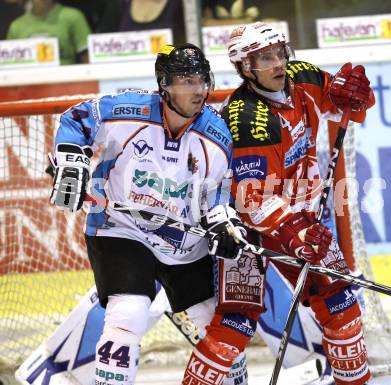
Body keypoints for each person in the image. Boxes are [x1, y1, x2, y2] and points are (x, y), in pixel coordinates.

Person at [49, 43, 250, 385]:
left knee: (212, 324)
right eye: (186, 81)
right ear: (164, 85)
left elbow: (217, 196)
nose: (198, 89)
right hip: (120, 228)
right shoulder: (127, 110)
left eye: (201, 79)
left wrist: (223, 224)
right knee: (128, 313)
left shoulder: (217, 136)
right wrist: (71, 160)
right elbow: (76, 119)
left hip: (182, 240)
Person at [220, 22, 375, 385]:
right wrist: (294, 230)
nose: (278, 64)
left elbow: (348, 109)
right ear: (245, 67)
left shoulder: (302, 75)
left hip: (299, 220)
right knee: (233, 325)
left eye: (279, 54)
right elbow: (250, 199)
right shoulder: (247, 119)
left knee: (342, 305)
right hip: (242, 229)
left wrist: (358, 97)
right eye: (264, 59)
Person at [6, 0, 91, 64]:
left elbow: (88, 59)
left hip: (65, 82)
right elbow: (8, 64)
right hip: (27, 83)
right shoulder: (16, 26)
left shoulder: (73, 17)